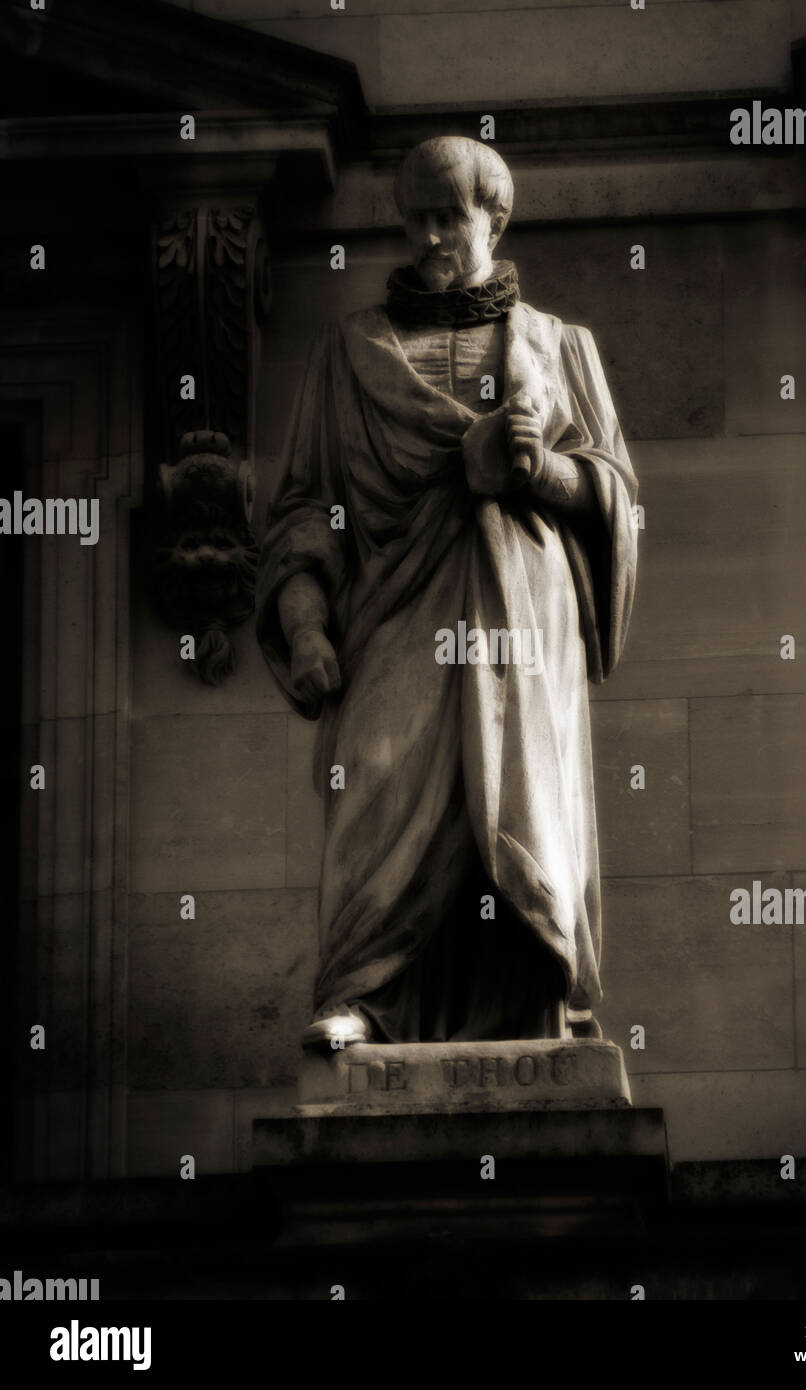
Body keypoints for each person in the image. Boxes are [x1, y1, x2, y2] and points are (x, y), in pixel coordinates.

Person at [256, 136, 637, 1047]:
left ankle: (539, 1002)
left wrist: (536, 474)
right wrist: (305, 625)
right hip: (394, 619)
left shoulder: (558, 346)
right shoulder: (348, 356)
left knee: (518, 809)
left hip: (518, 625)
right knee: (381, 789)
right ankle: (359, 996)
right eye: (414, 215)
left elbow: (615, 498)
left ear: (492, 218)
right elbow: (304, 511)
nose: (428, 234)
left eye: (447, 215)